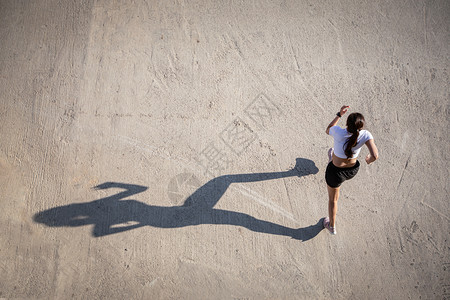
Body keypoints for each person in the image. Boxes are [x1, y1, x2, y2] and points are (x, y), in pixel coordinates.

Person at [323, 106, 379, 235]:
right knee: (333, 154)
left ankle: (331, 226)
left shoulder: (338, 132)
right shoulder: (365, 134)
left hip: (335, 173)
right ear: (361, 126)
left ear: (347, 124)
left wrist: (339, 114)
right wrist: (369, 160)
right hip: (352, 170)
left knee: (333, 200)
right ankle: (332, 157)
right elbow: (375, 155)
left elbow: (328, 129)